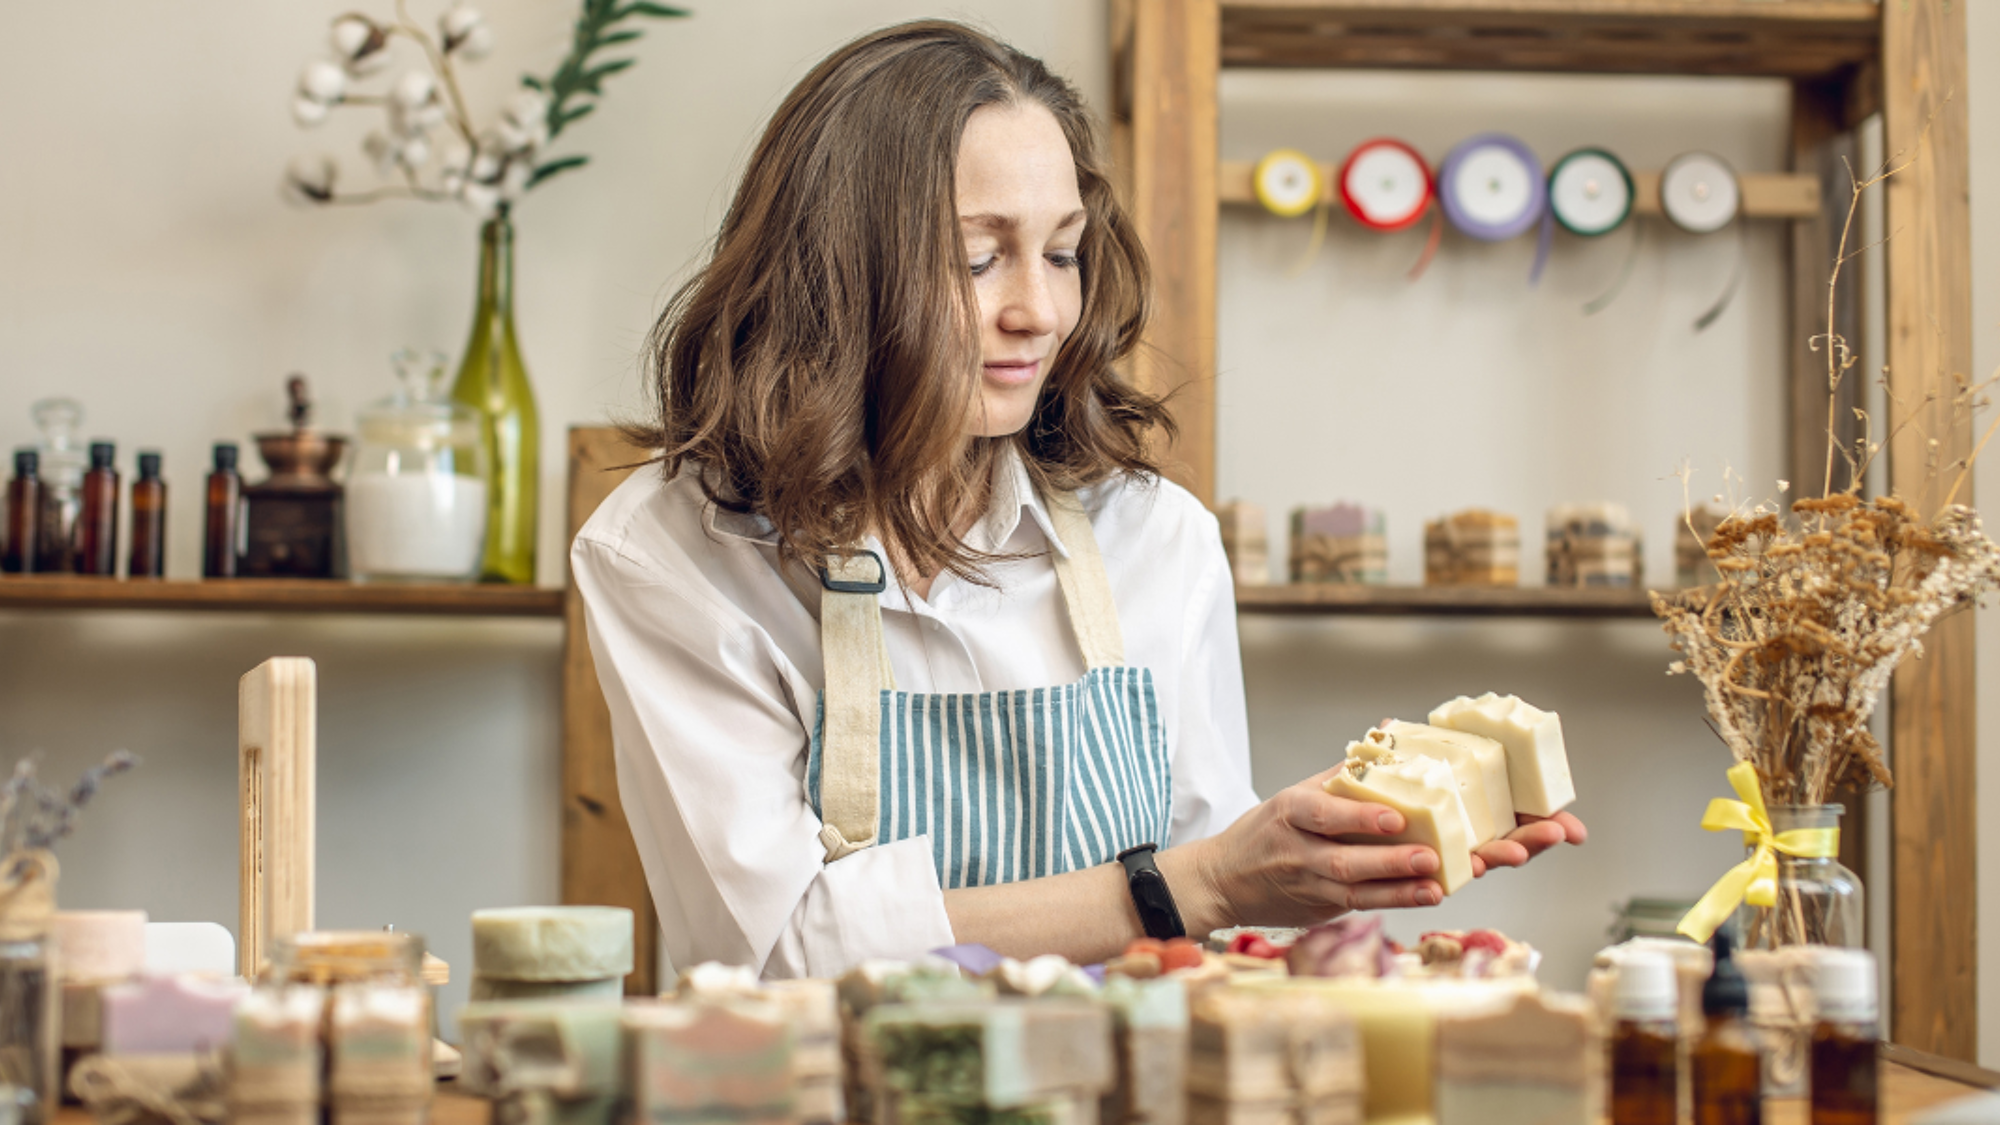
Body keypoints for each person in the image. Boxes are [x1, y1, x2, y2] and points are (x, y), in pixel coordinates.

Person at [573, 20, 1586, 979]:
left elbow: (1208, 899)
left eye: (1060, 251)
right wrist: (1201, 880)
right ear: (835, 275)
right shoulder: (673, 554)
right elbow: (776, 951)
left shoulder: (1154, 539)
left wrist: (1309, 858)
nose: (1041, 311)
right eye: (978, 258)